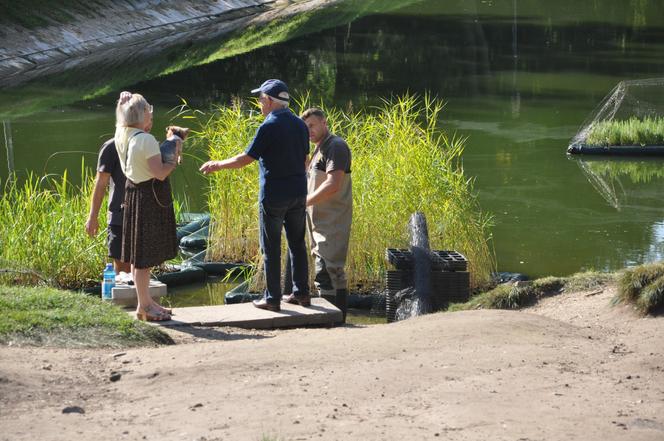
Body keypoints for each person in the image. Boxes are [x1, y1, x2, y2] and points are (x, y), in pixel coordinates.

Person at [200, 79, 310, 312]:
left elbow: (245, 159)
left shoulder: (269, 126)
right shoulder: (301, 125)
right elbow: (305, 161)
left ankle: (272, 299)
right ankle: (301, 293)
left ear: (270, 101)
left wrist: (217, 164)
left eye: (260, 99)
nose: (259, 104)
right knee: (297, 245)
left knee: (270, 248)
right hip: (299, 193)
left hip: (274, 196)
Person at [115, 92, 181, 321]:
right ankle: (144, 306)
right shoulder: (146, 140)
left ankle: (146, 302)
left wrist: (122, 102)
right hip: (148, 198)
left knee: (138, 255)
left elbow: (119, 119)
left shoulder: (121, 134)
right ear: (141, 115)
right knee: (144, 257)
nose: (151, 122)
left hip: (133, 194)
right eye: (149, 117)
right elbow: (160, 173)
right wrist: (175, 152)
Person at [297, 107, 352, 321]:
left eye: (312, 125)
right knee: (326, 272)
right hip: (319, 223)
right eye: (305, 127)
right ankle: (335, 321)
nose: (308, 130)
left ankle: (335, 322)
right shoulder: (319, 149)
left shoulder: (335, 146)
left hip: (333, 221)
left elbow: (333, 184)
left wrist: (303, 203)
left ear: (324, 123)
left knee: (329, 271)